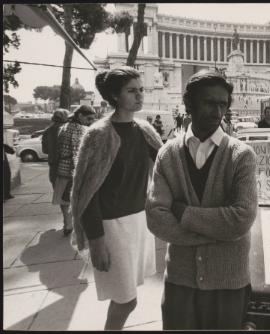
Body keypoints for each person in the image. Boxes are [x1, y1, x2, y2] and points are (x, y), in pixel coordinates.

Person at [146, 69, 258, 330]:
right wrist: (219, 234)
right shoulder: (168, 154)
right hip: (180, 282)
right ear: (189, 104)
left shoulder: (241, 156)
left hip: (228, 282)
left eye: (223, 104)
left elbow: (241, 219)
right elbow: (156, 218)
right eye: (209, 103)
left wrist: (184, 214)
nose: (218, 112)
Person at [70, 66, 163, 330]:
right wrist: (96, 241)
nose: (140, 96)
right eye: (132, 91)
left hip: (139, 222)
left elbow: (168, 164)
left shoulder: (144, 129)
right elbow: (87, 193)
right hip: (112, 228)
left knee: (128, 296)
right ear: (114, 95)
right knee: (126, 301)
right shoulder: (98, 134)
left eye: (141, 90)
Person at [53, 105, 96, 236]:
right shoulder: (81, 129)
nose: (91, 122)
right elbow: (78, 153)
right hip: (75, 170)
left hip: (62, 169)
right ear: (80, 116)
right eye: (89, 118)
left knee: (64, 198)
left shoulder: (63, 127)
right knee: (78, 198)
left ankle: (67, 223)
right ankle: (77, 225)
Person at [42, 108, 69, 186]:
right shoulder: (68, 130)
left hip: (53, 163)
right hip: (67, 164)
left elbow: (45, 150)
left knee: (56, 189)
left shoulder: (47, 131)